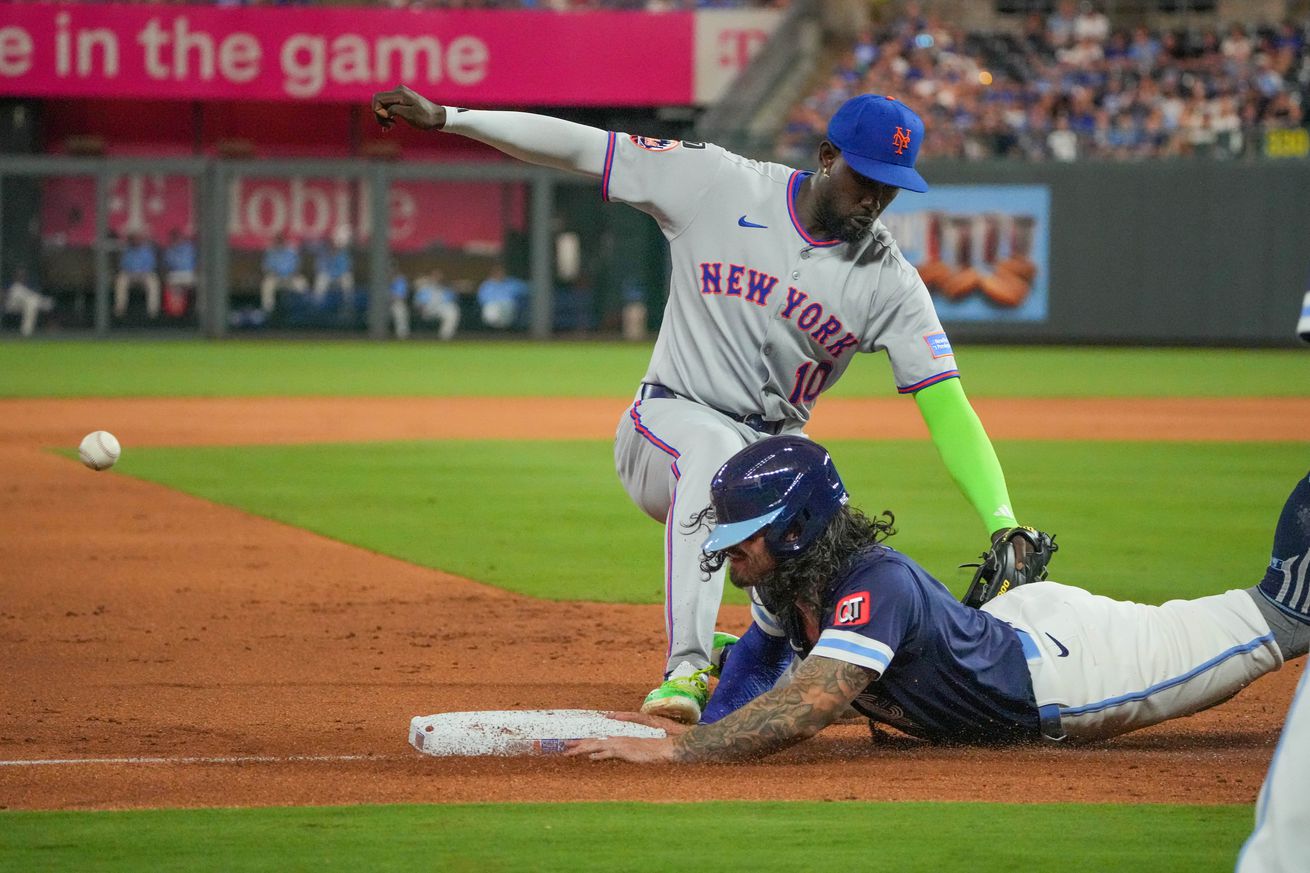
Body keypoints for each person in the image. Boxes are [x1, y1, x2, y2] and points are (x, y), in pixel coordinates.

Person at [372, 85, 1038, 724]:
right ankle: (686, 666)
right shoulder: (720, 184)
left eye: (889, 188)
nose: (875, 200)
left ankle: (757, 653)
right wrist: (452, 117)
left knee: (836, 542)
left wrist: (1002, 517)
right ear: (827, 158)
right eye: (865, 181)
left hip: (768, 474)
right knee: (715, 453)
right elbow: (584, 148)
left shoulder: (891, 282)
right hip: (665, 425)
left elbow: (946, 406)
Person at [566, 439, 1310, 763]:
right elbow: (756, 666)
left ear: (795, 529)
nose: (730, 550)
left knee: (1278, 618)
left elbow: (818, 701)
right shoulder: (784, 580)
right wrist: (709, 720)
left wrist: (680, 754)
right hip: (1007, 627)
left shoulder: (873, 582)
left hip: (1074, 674)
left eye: (744, 534)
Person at [114, 231, 160, 319]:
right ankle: (120, 311)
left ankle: (153, 313)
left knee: (153, 282)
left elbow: (151, 265)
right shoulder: (127, 251)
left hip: (144, 274)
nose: (136, 241)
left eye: (138, 239)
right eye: (134, 239)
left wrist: (142, 271)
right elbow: (123, 266)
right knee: (121, 280)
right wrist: (132, 272)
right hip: (130, 275)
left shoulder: (147, 251)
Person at [260, 234, 308, 313]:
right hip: (276, 278)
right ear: (275, 242)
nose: (279, 243)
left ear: (284, 242)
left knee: (302, 284)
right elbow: (266, 268)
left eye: (281, 241)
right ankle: (268, 310)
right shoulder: (270, 253)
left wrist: (293, 274)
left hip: (290, 277)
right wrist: (273, 273)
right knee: (267, 284)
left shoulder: (291, 252)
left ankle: (304, 309)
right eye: (277, 241)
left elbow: (297, 267)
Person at [3, 266, 54, 337]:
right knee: (31, 299)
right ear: (15, 275)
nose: (21, 276)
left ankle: (26, 332)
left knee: (31, 304)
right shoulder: (13, 285)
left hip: (23, 305)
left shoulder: (27, 285)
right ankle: (43, 303)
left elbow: (29, 295)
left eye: (22, 275)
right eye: (19, 275)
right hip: (12, 306)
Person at [475, 263, 529, 329]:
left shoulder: (512, 283)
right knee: (493, 308)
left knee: (507, 306)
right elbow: (482, 300)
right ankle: (495, 329)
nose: (499, 274)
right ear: (492, 273)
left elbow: (527, 290)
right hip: (492, 307)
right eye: (496, 272)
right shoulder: (487, 285)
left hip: (509, 307)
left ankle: (503, 329)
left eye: (500, 272)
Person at [413, 268, 461, 341]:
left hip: (441, 309)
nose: (437, 278)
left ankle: (444, 337)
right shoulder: (424, 288)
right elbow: (418, 302)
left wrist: (456, 287)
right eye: (435, 275)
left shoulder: (444, 288)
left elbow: (453, 299)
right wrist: (421, 310)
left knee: (453, 310)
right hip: (428, 309)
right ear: (431, 276)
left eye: (439, 276)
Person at [162, 230, 197, 318]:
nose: (177, 240)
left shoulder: (189, 248)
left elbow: (196, 263)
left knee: (198, 285)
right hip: (175, 274)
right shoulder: (169, 251)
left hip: (188, 274)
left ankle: (195, 311)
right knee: (171, 286)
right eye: (174, 238)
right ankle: (172, 311)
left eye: (178, 238)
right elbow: (167, 265)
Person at [389, 263, 411, 340]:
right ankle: (376, 335)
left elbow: (401, 295)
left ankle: (401, 336)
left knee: (400, 309)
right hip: (381, 305)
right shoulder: (380, 279)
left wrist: (391, 296)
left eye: (392, 269)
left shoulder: (400, 280)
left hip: (395, 303)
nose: (390, 271)